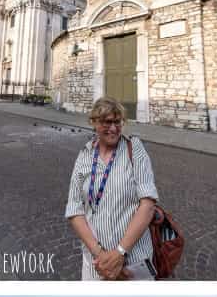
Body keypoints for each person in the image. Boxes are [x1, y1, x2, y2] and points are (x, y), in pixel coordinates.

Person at [65, 97, 159, 280]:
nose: (114, 128)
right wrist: (100, 255)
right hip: (96, 265)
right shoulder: (84, 155)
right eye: (108, 122)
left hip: (134, 263)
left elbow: (148, 204)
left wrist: (119, 252)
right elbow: (74, 209)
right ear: (94, 123)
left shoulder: (135, 149)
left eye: (118, 122)